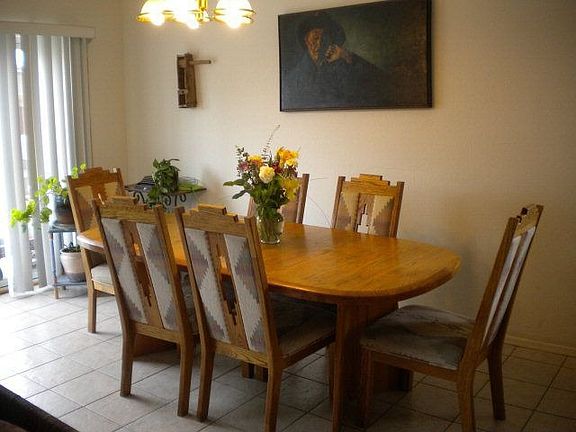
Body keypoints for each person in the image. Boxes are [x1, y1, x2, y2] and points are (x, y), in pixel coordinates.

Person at [282, 12, 391, 110]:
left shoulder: (341, 64)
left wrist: (346, 56)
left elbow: (381, 84)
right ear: (306, 41)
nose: (320, 43)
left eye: (324, 38)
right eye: (315, 38)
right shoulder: (295, 78)